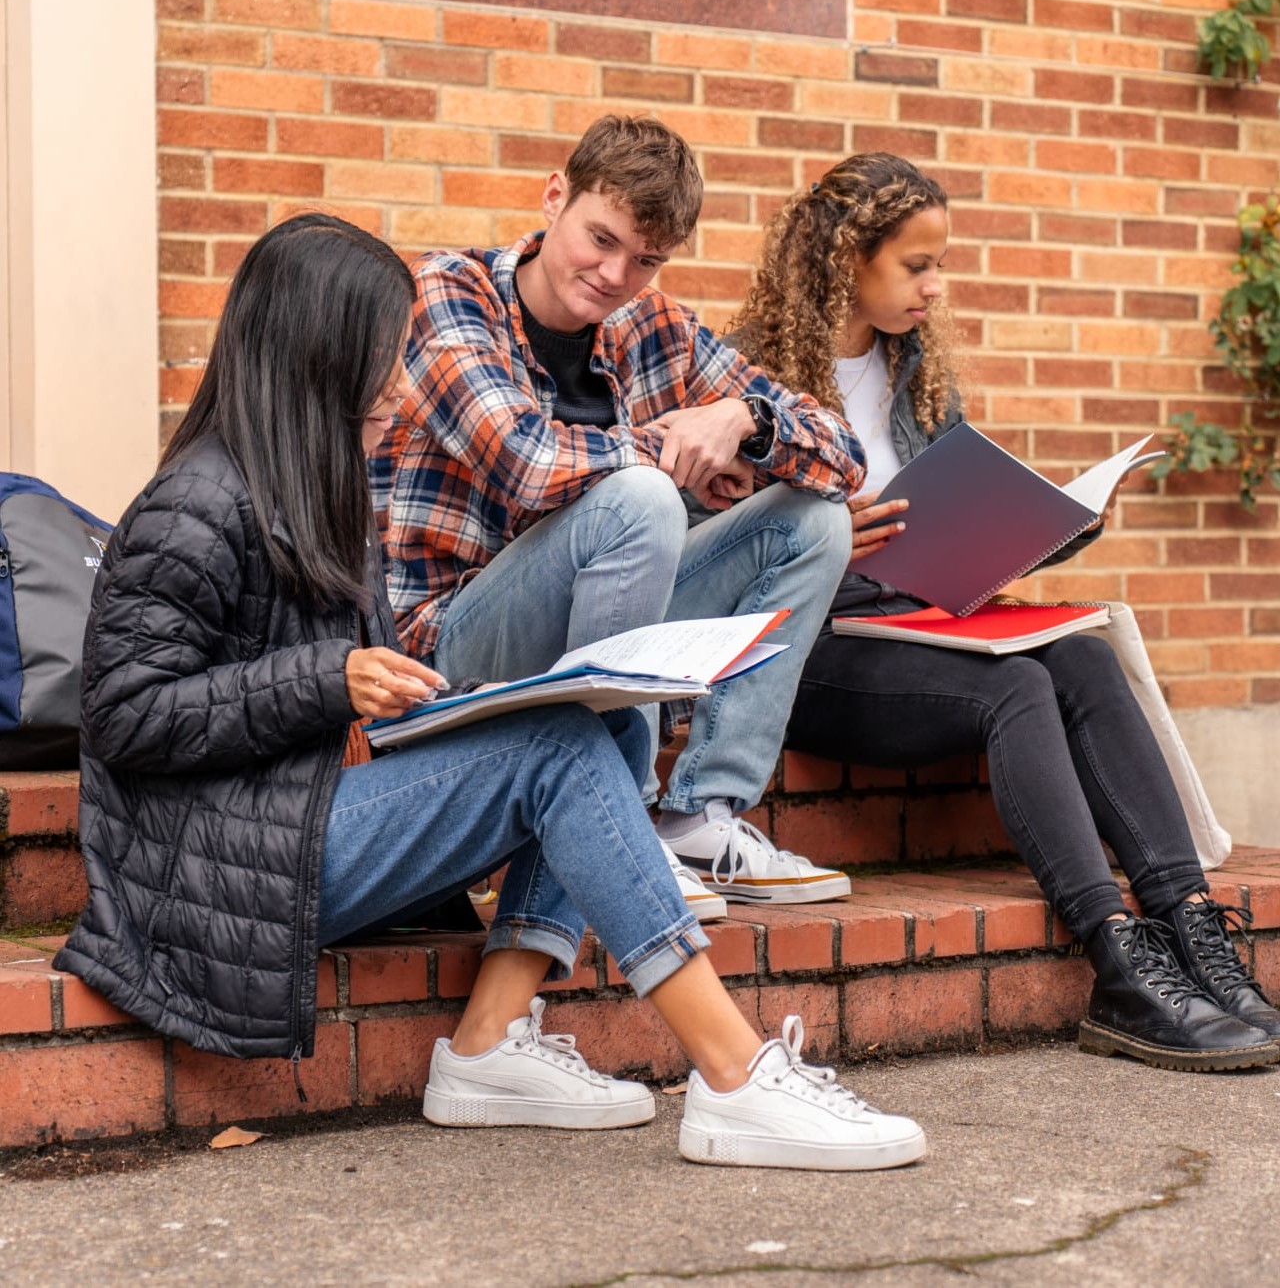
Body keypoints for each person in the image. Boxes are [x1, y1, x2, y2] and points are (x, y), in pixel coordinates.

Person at [52, 213, 926, 1171]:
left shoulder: (319, 485)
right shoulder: (193, 504)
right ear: (315, 357)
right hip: (215, 868)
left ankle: (488, 1046)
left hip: (295, 819)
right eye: (382, 360)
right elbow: (126, 716)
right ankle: (732, 1074)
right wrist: (325, 679)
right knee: (561, 750)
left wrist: (449, 708)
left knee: (584, 714)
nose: (399, 383)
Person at [727, 152, 1280, 1072]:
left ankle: (1195, 934)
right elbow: (714, 544)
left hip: (918, 624)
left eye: (938, 263)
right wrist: (826, 532)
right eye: (916, 265)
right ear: (848, 257)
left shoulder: (915, 370)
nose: (934, 285)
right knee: (1018, 690)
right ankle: (1116, 960)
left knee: (1080, 659)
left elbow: (956, 516)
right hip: (815, 649)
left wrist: (1053, 522)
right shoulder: (747, 374)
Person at [373, 115, 861, 918]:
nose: (613, 273)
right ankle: (616, 823)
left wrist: (741, 421)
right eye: (599, 239)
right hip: (448, 643)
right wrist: (670, 456)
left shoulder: (652, 324)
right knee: (637, 499)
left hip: (592, 629)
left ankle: (698, 817)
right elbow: (523, 462)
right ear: (555, 195)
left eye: (645, 259)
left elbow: (842, 456)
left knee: (812, 521)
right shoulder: (448, 290)